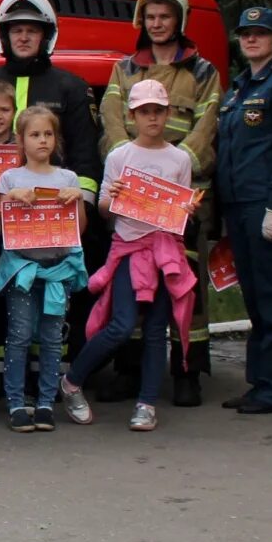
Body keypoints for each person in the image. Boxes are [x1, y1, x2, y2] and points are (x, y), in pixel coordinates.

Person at [99, 0, 222, 408]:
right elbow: (112, 120)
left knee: (183, 285)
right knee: (136, 284)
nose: (156, 23)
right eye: (149, 17)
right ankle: (130, 371)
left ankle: (188, 372)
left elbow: (208, 124)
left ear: (179, 20)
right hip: (134, 202)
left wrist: (173, 170)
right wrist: (132, 167)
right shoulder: (125, 68)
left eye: (164, 16)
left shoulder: (203, 72)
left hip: (182, 199)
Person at [58, 80, 199, 432]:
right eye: (144, 112)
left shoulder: (180, 158)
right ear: (132, 116)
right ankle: (72, 380)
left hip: (165, 252)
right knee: (120, 325)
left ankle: (147, 403)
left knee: (155, 330)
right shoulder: (120, 155)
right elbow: (105, 210)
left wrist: (186, 210)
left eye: (158, 111)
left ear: (168, 114)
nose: (152, 118)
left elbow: (180, 212)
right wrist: (113, 197)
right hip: (128, 250)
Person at [215, 7, 272, 415]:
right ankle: (260, 384)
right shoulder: (235, 91)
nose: (251, 40)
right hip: (238, 205)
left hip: (266, 206)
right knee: (254, 296)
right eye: (246, 34)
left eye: (261, 33)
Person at [0, 106, 89, 432]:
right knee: (18, 336)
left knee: (51, 339)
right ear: (21, 140)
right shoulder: (10, 178)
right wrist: (8, 199)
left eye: (48, 134)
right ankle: (17, 403)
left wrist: (77, 201)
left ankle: (47, 402)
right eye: (35, 134)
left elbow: (81, 229)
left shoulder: (68, 178)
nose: (42, 140)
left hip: (57, 271)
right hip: (22, 270)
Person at [0, 0, 101, 196]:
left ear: (45, 36)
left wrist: (83, 206)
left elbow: (85, 153)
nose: (23, 38)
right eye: (17, 31)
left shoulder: (73, 88)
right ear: (5, 36)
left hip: (53, 206)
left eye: (32, 31)